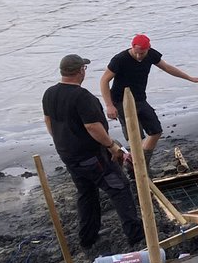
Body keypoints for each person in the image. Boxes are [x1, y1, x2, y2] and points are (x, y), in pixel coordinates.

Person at [42, 54, 145, 251]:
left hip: (68, 155)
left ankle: (88, 238)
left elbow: (48, 121)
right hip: (91, 155)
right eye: (84, 68)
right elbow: (92, 127)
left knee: (86, 192)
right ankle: (136, 236)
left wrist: (61, 141)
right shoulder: (82, 97)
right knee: (119, 187)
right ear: (80, 71)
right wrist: (112, 146)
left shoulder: (49, 93)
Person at [100, 34, 198, 160]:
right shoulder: (119, 59)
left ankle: (141, 161)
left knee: (156, 131)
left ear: (148, 49)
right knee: (135, 137)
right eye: (136, 52)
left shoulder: (151, 54)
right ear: (132, 47)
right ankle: (133, 162)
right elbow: (104, 80)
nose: (139, 56)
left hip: (140, 98)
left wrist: (190, 78)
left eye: (142, 53)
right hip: (120, 101)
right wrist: (109, 105)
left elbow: (167, 68)